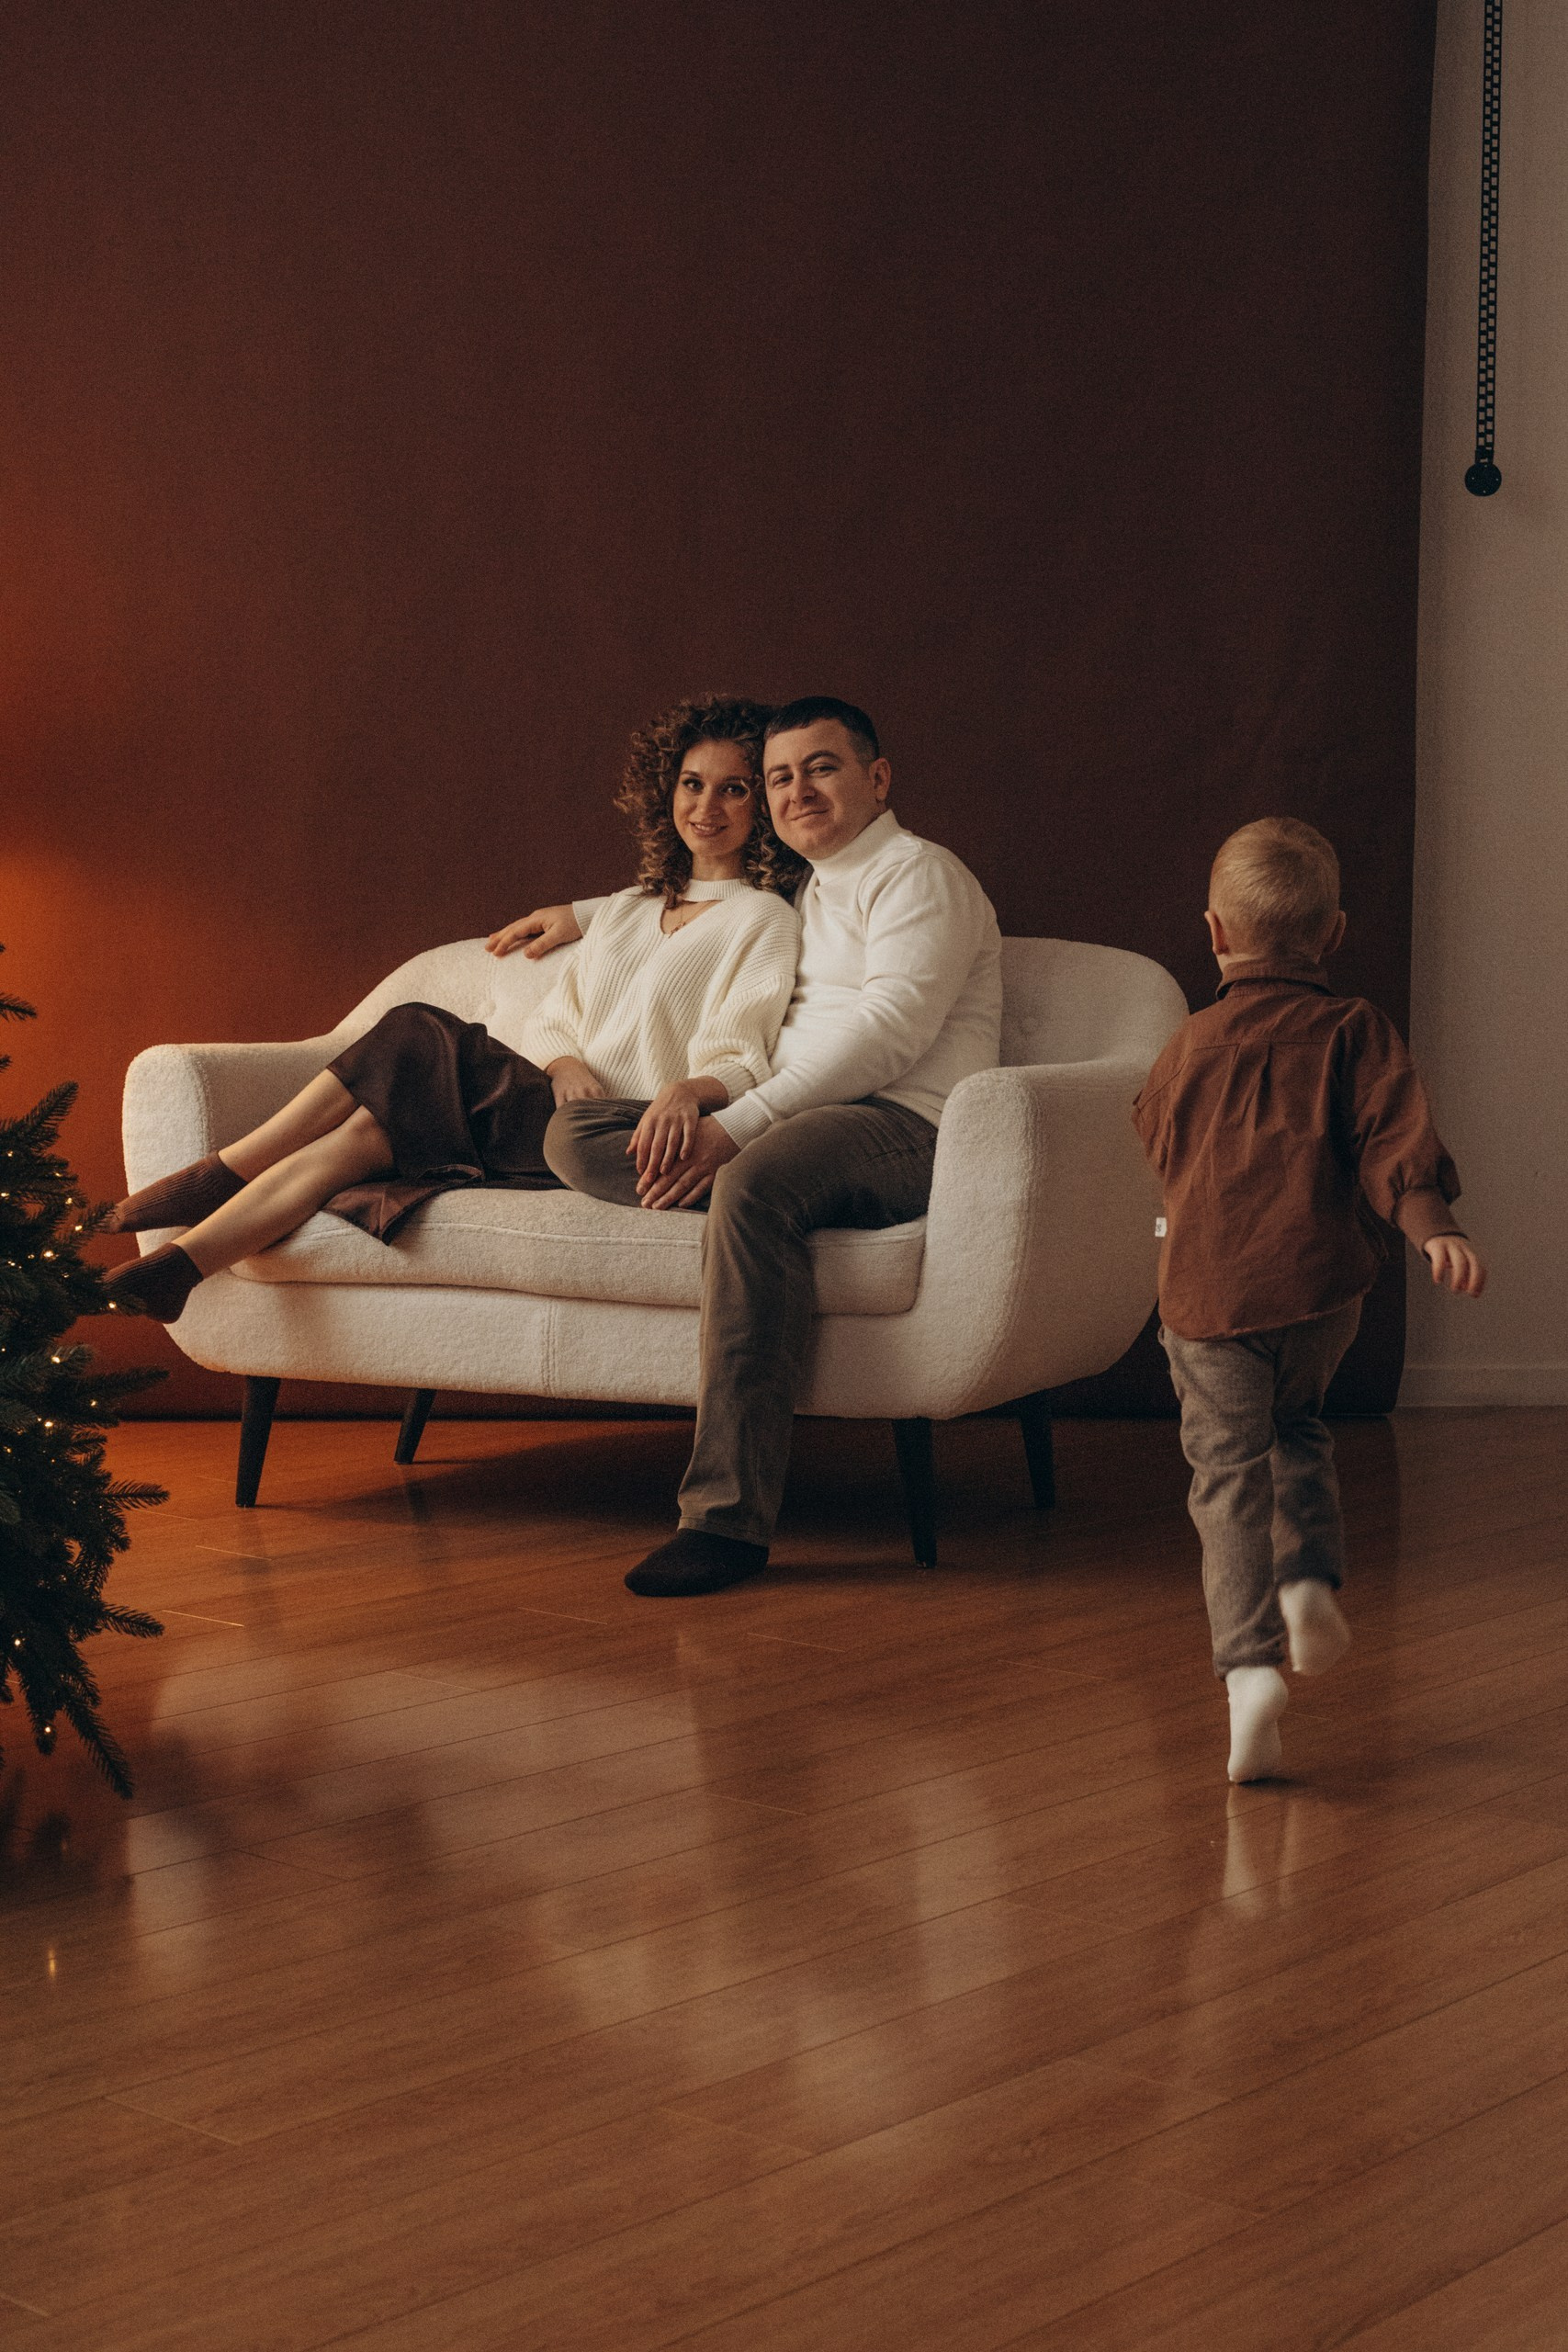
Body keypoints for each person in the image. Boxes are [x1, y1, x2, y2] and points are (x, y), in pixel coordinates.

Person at [498, 695, 1002, 1598]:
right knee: (575, 1132)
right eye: (778, 777)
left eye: (821, 767)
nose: (797, 790)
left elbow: (889, 1033)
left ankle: (725, 1523)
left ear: (877, 778)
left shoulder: (918, 875)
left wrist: (737, 1127)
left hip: (903, 1126)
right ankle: (729, 1194)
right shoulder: (810, 887)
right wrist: (582, 913)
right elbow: (696, 893)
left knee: (756, 1184)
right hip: (795, 1124)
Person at [104, 695, 802, 1321]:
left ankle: (223, 1172)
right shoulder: (627, 908)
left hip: (626, 1135)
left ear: (764, 805)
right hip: (550, 1104)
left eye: (733, 789)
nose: (706, 807)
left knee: (415, 1027)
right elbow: (556, 1019)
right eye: (692, 783)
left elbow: (742, 1055)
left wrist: (686, 1092)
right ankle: (177, 1271)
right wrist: (562, 1065)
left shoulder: (763, 918)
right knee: (360, 1139)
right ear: (666, 789)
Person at [1132, 817, 1487, 1784]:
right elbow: (1394, 1139)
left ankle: (1250, 1668)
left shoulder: (1187, 1043)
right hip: (1319, 1293)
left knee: (1226, 1478)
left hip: (1209, 1299)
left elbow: (1154, 1137)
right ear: (1332, 935)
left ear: (1214, 933)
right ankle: (1308, 1582)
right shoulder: (1356, 1029)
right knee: (1299, 1428)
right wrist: (1434, 1228)